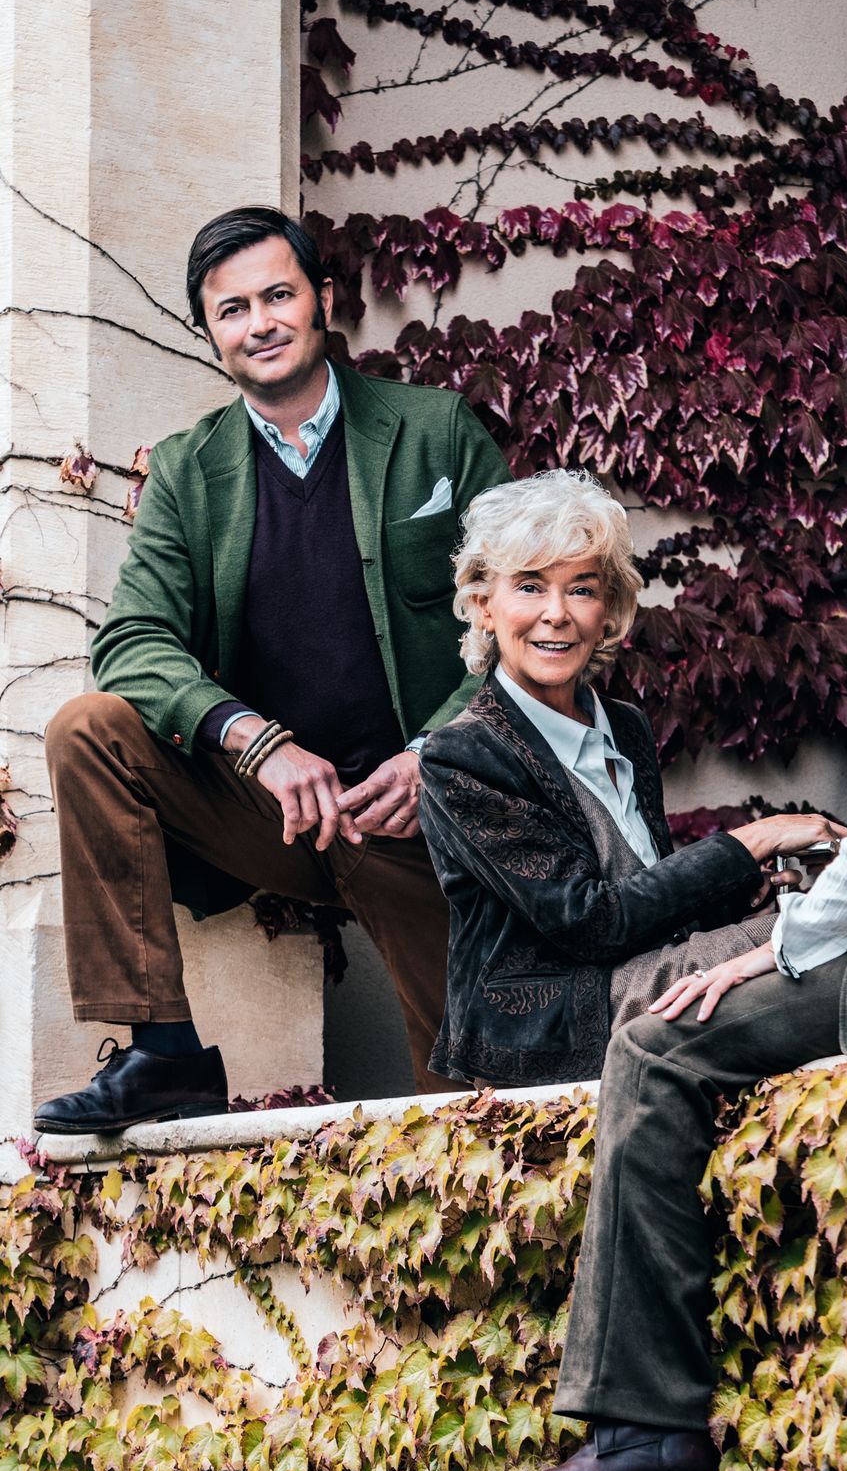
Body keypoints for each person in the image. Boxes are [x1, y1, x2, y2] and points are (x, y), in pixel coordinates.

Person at [501, 301, 847, 1471]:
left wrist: (770, 953)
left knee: (661, 1039)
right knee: (678, 999)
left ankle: (652, 1428)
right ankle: (644, 1428)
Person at [34, 206, 510, 1134]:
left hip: (419, 812)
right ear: (211, 333)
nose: (259, 322)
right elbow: (132, 639)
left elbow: (527, 617)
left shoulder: (436, 431)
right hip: (274, 815)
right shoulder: (187, 471)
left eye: (278, 295)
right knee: (88, 730)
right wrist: (257, 744)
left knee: (474, 1099)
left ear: (322, 301)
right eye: (232, 308)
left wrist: (439, 755)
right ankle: (162, 1053)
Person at [419, 469, 847, 1088]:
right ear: (486, 607)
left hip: (643, 972)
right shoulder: (462, 755)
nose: (557, 615)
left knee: (818, 917)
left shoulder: (625, 725)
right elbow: (590, 922)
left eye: (582, 589)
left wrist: (735, 888)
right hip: (563, 1021)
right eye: (531, 587)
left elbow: (642, 889)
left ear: (610, 608)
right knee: (813, 931)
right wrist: (751, 841)